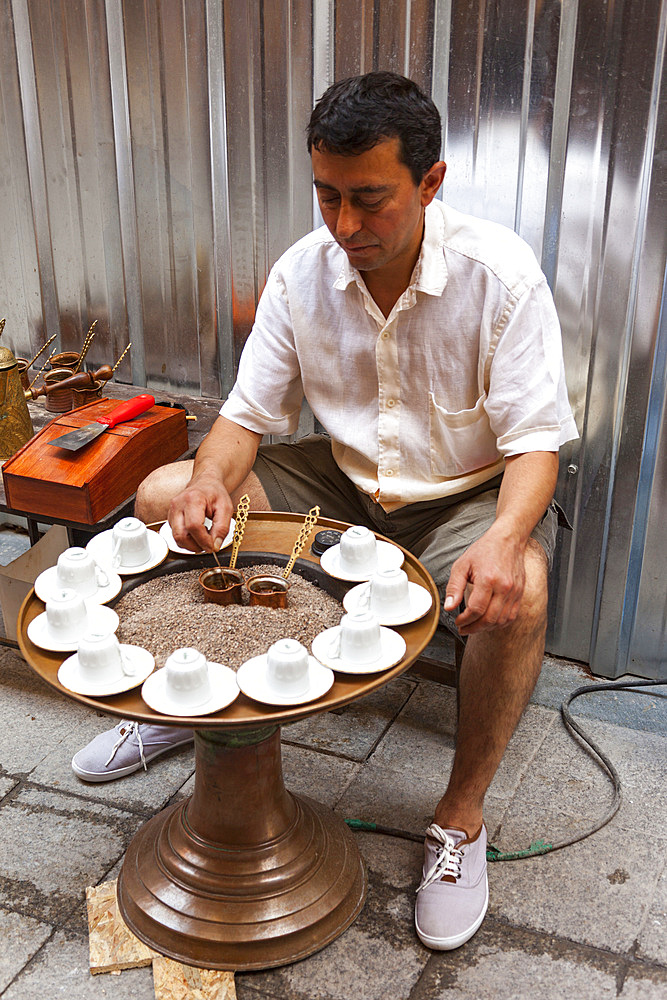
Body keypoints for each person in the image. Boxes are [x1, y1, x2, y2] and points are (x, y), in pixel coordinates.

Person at [72, 71, 577, 951]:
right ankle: (174, 703)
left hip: (460, 493)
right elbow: (243, 417)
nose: (345, 227)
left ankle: (458, 822)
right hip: (344, 485)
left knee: (520, 583)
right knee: (162, 496)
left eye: (370, 200)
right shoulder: (303, 272)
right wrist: (206, 483)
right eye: (327, 197)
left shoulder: (500, 277)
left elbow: (537, 442)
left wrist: (503, 536)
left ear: (429, 183)